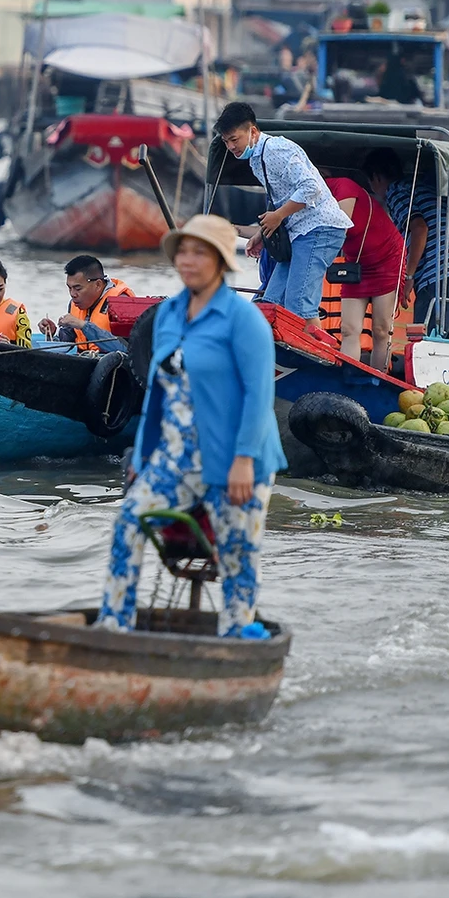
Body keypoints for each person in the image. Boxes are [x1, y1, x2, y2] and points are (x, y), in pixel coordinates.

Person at [100, 214, 282, 640]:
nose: (188, 259)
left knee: (237, 553)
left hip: (235, 458)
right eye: (183, 250)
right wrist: (142, 459)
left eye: (199, 251)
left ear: (220, 260)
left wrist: (243, 461)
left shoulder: (243, 320)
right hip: (174, 458)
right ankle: (114, 626)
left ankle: (235, 635)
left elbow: (259, 396)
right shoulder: (168, 316)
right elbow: (157, 396)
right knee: (128, 524)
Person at [215, 101, 351, 321]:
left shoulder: (275, 149)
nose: (231, 147)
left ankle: (312, 353)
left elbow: (310, 187)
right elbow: (280, 202)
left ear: (252, 131)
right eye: (226, 142)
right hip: (298, 232)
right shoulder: (256, 160)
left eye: (234, 139)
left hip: (320, 228)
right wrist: (262, 233)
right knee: (272, 302)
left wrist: (278, 216)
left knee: (298, 305)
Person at [363, 149, 449, 339]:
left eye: (370, 184)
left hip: (439, 274)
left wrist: (409, 276)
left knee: (425, 340)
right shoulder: (427, 189)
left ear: (376, 178)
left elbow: (419, 228)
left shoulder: (396, 192)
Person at [324, 176, 404, 371]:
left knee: (381, 330)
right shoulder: (308, 200)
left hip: (387, 260)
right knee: (348, 329)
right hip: (357, 265)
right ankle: (348, 377)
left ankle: (379, 378)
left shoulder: (344, 186)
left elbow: (339, 228)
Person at [36, 254, 131, 353]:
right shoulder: (75, 304)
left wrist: (83, 326)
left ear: (98, 285)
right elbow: (67, 339)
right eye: (69, 288)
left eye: (78, 288)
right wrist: (51, 333)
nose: (72, 294)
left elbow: (127, 349)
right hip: (84, 360)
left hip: (112, 364)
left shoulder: (122, 303)